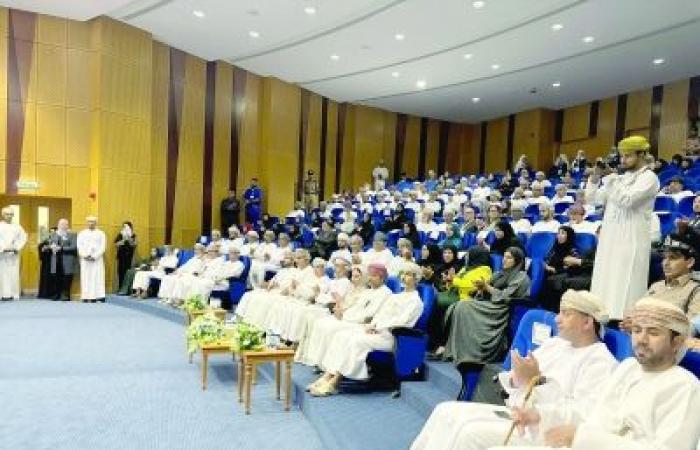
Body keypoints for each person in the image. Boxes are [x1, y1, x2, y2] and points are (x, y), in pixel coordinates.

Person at [411, 290, 617, 450]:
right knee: (445, 410)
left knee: (469, 433)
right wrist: (516, 378)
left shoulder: (600, 363)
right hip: (518, 412)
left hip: (543, 429)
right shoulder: (556, 344)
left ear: (587, 322)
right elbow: (518, 379)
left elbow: (580, 416)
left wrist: (535, 382)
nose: (557, 319)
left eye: (566, 314)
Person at [487, 298, 700, 450]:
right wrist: (539, 415)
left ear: (677, 342)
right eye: (637, 331)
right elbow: (592, 416)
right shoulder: (628, 368)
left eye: (653, 332)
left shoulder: (685, 387)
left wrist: (582, 438)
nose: (641, 339)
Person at [309, 262, 424, 396]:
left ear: (416, 278)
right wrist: (373, 325)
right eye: (403, 274)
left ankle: (335, 382)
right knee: (342, 335)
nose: (404, 277)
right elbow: (381, 314)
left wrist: (379, 327)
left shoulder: (415, 301)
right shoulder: (395, 296)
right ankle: (328, 375)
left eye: (409, 275)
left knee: (356, 341)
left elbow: (403, 323)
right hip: (378, 332)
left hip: (392, 337)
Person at [586, 135, 659, 320]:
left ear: (642, 154)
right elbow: (592, 200)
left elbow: (627, 200)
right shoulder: (619, 178)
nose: (623, 160)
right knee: (604, 283)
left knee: (625, 288)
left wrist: (610, 177)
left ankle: (624, 328)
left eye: (628, 156)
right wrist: (594, 179)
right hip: (610, 238)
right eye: (621, 156)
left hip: (631, 240)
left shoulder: (649, 178)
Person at [443, 247, 530, 365]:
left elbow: (506, 296)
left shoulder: (521, 276)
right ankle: (458, 350)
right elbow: (484, 290)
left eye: (509, 258)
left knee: (464, 306)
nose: (504, 260)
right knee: (459, 306)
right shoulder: (499, 273)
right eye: (504, 256)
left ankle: (473, 353)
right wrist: (480, 289)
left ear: (517, 261)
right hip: (491, 303)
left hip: (503, 308)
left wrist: (487, 288)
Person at [428, 246, 492, 357]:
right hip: (456, 295)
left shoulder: (485, 270)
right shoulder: (465, 268)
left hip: (468, 300)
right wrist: (449, 280)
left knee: (442, 308)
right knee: (436, 303)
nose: (466, 257)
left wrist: (454, 280)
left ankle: (443, 345)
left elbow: (471, 286)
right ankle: (435, 343)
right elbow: (456, 281)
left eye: (469, 255)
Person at [47, 218, 78, 301]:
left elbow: (74, 247)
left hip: (67, 259)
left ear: (68, 225)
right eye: (61, 224)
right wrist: (51, 247)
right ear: (58, 225)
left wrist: (61, 248)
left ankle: (66, 295)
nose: (63, 226)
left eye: (65, 224)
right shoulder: (54, 234)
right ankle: (56, 294)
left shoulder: (72, 234)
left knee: (67, 278)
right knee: (56, 277)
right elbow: (50, 244)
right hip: (55, 259)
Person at [0, 207, 27, 301]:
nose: (9, 216)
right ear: (3, 215)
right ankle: (3, 294)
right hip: (2, 255)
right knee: (2, 274)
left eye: (11, 214)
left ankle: (13, 293)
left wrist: (16, 247)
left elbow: (23, 238)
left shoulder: (17, 227)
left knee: (14, 274)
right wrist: (3, 248)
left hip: (14, 254)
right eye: (7, 214)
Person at [77, 216, 106, 303]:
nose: (91, 223)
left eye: (93, 222)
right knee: (86, 277)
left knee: (97, 277)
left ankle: (99, 296)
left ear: (96, 223)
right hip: (85, 259)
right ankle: (86, 296)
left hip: (97, 259)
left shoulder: (101, 233)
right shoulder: (82, 233)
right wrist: (85, 255)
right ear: (87, 223)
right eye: (89, 222)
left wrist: (94, 256)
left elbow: (103, 247)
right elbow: (79, 246)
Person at [114, 221, 137, 290]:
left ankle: (127, 288)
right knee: (120, 271)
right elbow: (116, 244)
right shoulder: (120, 235)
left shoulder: (133, 235)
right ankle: (120, 287)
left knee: (128, 272)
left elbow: (134, 244)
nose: (125, 228)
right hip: (121, 256)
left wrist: (129, 238)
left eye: (127, 226)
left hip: (129, 256)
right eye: (124, 226)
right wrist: (123, 239)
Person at [38, 227, 58, 299]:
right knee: (45, 277)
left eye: (54, 232)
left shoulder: (58, 241)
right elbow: (40, 256)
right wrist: (44, 249)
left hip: (55, 262)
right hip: (46, 263)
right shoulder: (44, 243)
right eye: (51, 232)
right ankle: (44, 294)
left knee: (54, 278)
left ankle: (53, 294)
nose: (52, 233)